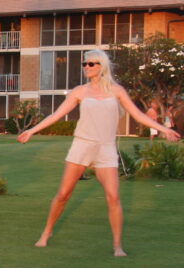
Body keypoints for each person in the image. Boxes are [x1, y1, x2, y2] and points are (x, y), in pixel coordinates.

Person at [18, 49, 180, 257]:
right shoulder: (79, 91)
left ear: (101, 65)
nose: (86, 67)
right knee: (63, 194)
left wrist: (166, 129)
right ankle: (46, 232)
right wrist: (31, 130)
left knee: (113, 197)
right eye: (85, 64)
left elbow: (138, 116)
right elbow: (57, 115)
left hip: (106, 148)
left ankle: (117, 246)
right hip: (82, 145)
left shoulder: (117, 90)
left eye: (91, 64)